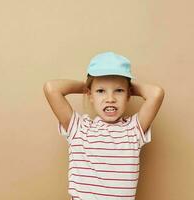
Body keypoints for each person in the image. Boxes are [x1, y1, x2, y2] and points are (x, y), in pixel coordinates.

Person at [43, 51, 165, 200]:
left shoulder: (133, 130)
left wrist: (124, 86)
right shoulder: (79, 129)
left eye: (118, 91)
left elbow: (156, 93)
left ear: (129, 95)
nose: (110, 99)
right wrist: (88, 85)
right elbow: (52, 88)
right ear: (89, 95)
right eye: (101, 91)